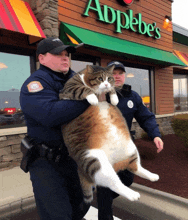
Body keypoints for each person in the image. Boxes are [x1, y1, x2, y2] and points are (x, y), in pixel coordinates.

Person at [20, 37, 91, 220]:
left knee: (80, 207)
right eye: (58, 54)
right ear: (41, 58)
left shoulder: (76, 79)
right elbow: (51, 114)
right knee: (57, 215)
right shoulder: (34, 85)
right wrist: (87, 99)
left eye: (67, 54)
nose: (65, 58)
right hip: (47, 163)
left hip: (73, 160)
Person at [96, 61, 164, 220]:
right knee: (106, 187)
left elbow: (146, 117)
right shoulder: (98, 94)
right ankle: (104, 203)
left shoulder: (132, 96)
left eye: (120, 73)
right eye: (113, 73)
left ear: (124, 76)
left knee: (127, 179)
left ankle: (102, 197)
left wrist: (155, 135)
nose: (117, 76)